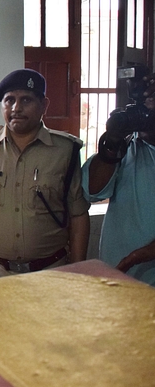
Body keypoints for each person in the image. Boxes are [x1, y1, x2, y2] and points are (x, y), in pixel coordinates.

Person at [0, 69, 90, 283]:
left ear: (44, 105)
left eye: (26, 100)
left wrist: (78, 268)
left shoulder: (65, 151)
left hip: (49, 273)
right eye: (9, 101)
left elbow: (78, 214)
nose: (16, 108)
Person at [82, 71, 155, 285]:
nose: (146, 112)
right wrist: (113, 140)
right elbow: (92, 191)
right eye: (143, 104)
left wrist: (138, 256)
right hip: (117, 277)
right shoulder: (127, 148)